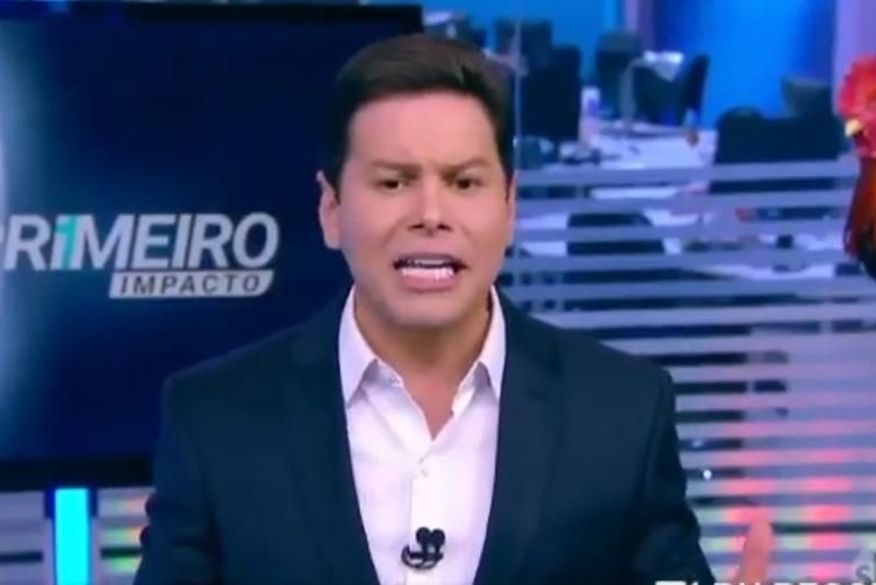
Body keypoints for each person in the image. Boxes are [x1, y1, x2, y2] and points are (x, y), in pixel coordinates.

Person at [134, 34, 773, 585]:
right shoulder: (216, 420)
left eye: (464, 182)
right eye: (393, 182)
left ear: (510, 205)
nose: (431, 215)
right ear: (331, 208)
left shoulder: (623, 411)